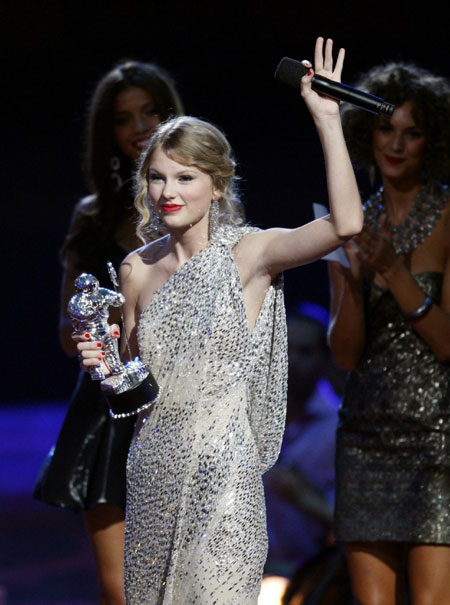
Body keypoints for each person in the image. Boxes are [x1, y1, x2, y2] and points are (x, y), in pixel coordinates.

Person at [77, 37, 363, 603]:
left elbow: (346, 225)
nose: (169, 192)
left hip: (226, 483)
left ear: (217, 183)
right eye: (158, 177)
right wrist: (103, 364)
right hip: (153, 471)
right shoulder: (135, 269)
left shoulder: (250, 255)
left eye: (186, 178)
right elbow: (135, 389)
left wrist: (328, 121)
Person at [33, 61, 184, 604]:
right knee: (121, 591)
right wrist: (99, 334)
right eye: (125, 118)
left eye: (152, 112)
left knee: (184, 584)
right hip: (111, 410)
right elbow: (65, 333)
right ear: (110, 133)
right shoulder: (92, 217)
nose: (140, 127)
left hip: (185, 406)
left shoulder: (198, 210)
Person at [328, 61, 450, 604]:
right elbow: (346, 355)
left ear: (432, 140)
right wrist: (354, 284)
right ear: (366, 134)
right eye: (385, 128)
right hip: (365, 438)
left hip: (437, 437)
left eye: (412, 132)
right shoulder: (352, 222)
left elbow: (448, 344)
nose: (396, 144)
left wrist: (394, 273)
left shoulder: (448, 216)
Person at [263, 307, 340, 578]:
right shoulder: (248, 419)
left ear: (326, 359)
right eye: (286, 349)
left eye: (305, 352)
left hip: (313, 578)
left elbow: (352, 520)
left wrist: (304, 497)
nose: (293, 360)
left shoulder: (339, 427)